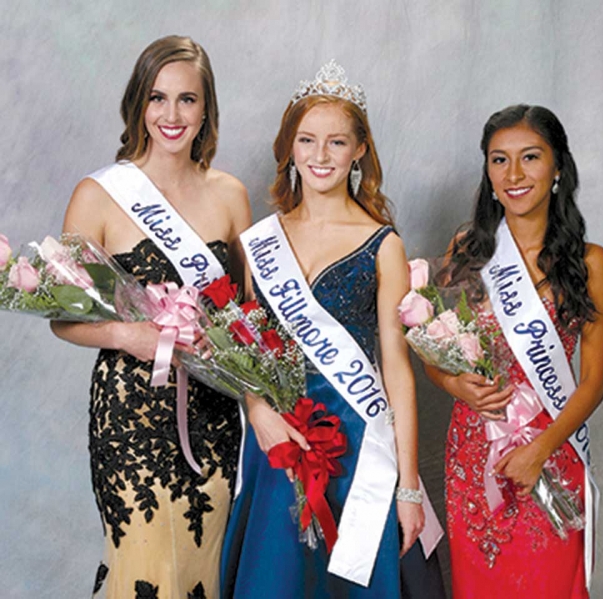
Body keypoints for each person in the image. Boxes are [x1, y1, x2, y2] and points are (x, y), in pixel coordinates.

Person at [221, 61, 445, 598]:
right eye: (307, 140)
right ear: (289, 147)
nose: (320, 156)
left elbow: (397, 370)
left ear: (359, 151)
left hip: (359, 448)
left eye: (337, 142)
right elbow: (245, 351)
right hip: (280, 442)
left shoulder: (382, 244)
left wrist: (409, 489)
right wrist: (259, 413)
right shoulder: (259, 242)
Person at [51, 35, 251, 598]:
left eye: (187, 100)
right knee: (145, 572)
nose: (171, 115)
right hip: (130, 417)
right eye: (158, 98)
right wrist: (124, 334)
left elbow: (247, 317)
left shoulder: (231, 196)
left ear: (206, 108)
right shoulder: (98, 195)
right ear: (139, 103)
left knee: (199, 572)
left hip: (213, 411)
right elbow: (63, 319)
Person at [425, 104, 603, 598]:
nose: (513, 174)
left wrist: (539, 451)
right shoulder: (469, 249)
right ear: (487, 172)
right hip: (473, 453)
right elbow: (435, 349)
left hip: (549, 450)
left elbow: (593, 382)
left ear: (557, 168)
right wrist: (451, 382)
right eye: (498, 159)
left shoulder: (590, 263)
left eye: (530, 157)